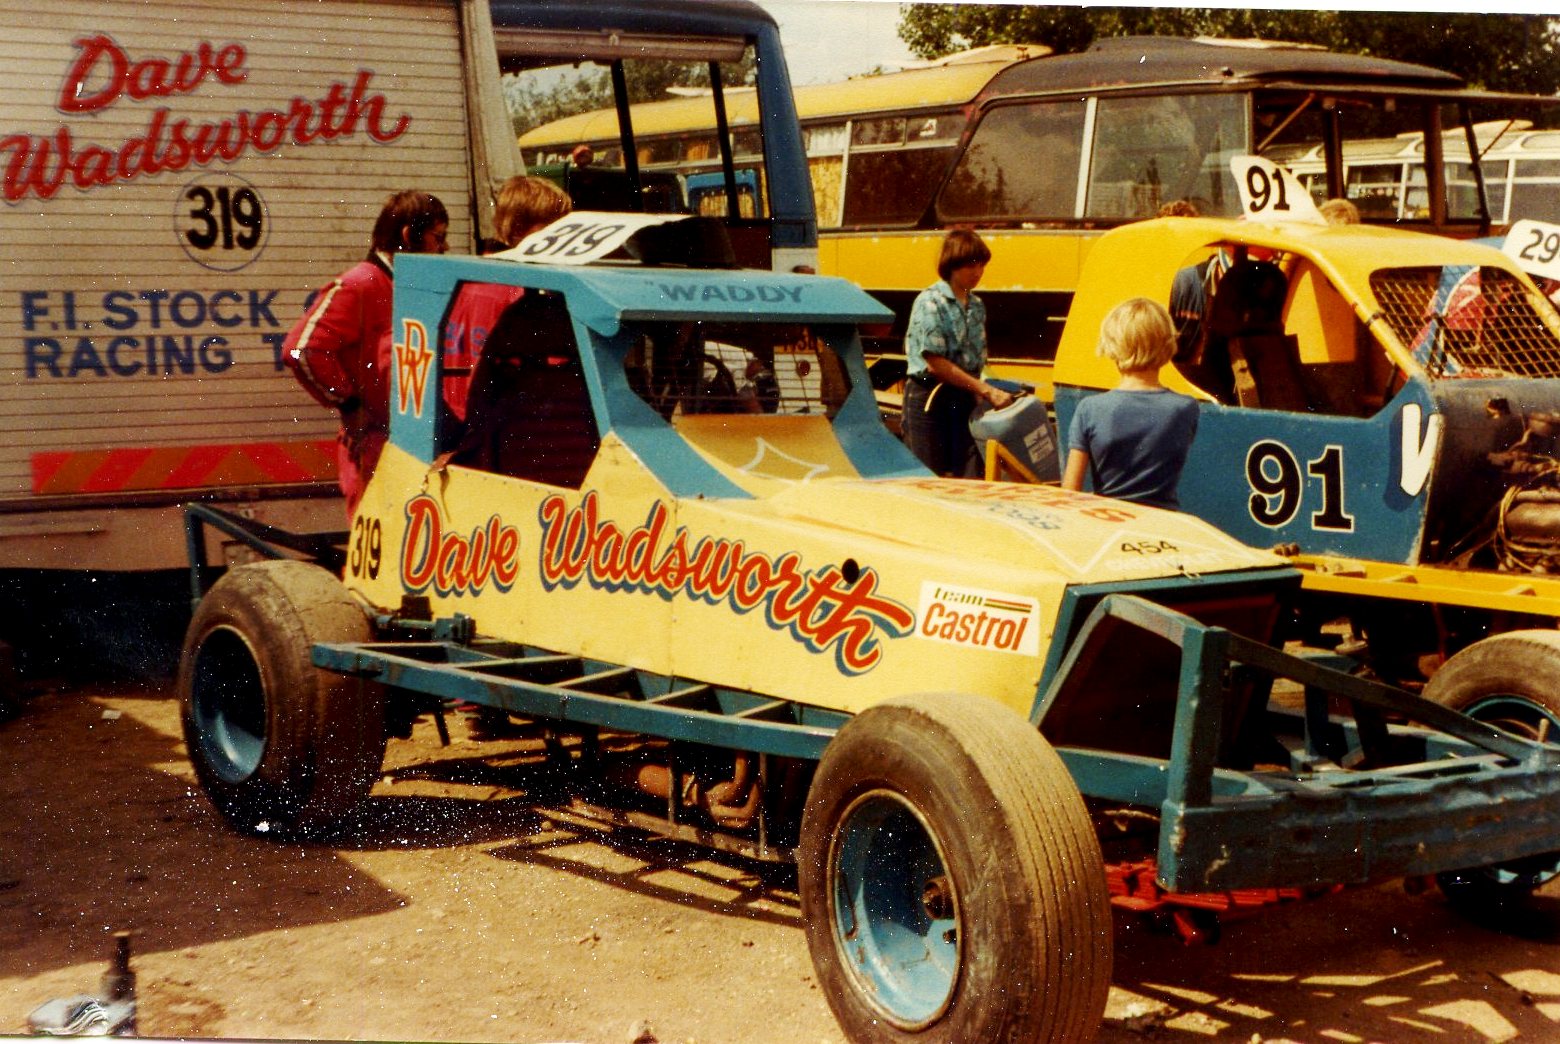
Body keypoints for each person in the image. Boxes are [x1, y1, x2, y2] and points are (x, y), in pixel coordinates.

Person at [283, 190, 449, 516]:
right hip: (375, 449)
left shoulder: (401, 284)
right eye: (437, 237)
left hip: (408, 448)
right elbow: (301, 349)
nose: (443, 248)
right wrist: (349, 403)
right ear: (407, 234)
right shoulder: (362, 283)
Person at [443, 176, 573, 424]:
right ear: (518, 229)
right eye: (553, 228)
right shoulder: (525, 295)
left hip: (450, 426)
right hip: (500, 430)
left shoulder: (458, 283)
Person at [1062, 298, 1199, 509]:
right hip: (1162, 524)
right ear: (1167, 343)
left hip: (1110, 521)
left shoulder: (1089, 409)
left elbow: (1070, 492)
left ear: (1112, 345)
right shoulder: (1185, 408)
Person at [902, 229, 1015, 477]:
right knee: (929, 477)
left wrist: (980, 392)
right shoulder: (930, 302)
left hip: (964, 397)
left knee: (970, 474)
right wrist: (985, 390)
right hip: (929, 398)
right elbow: (935, 364)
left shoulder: (977, 306)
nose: (978, 273)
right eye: (971, 266)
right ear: (952, 265)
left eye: (982, 266)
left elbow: (977, 359)